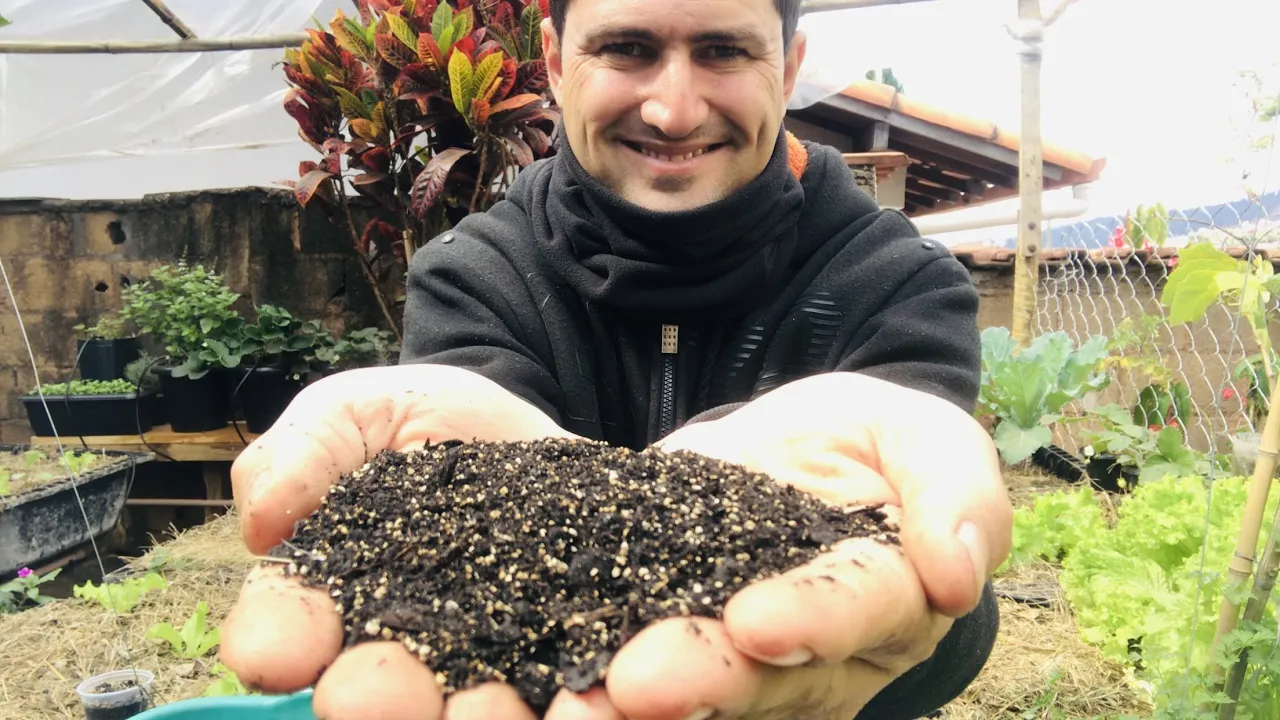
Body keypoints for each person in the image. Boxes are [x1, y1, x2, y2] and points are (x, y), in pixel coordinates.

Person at [220, 0, 1013, 717]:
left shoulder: (898, 285)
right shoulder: (474, 274)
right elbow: (456, 515)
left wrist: (941, 610)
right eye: (627, 49)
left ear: (788, 68)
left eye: (725, 52)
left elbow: (924, 597)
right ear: (557, 62)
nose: (673, 111)